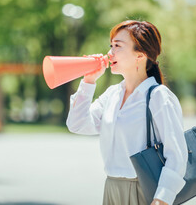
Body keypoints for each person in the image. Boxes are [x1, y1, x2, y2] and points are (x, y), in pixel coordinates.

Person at [66, 20, 188, 205]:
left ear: (140, 55)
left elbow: (177, 154)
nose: (110, 52)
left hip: (144, 191)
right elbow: (77, 124)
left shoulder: (158, 97)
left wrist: (161, 199)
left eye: (118, 46)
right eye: (111, 45)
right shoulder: (112, 94)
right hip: (112, 188)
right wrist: (88, 82)